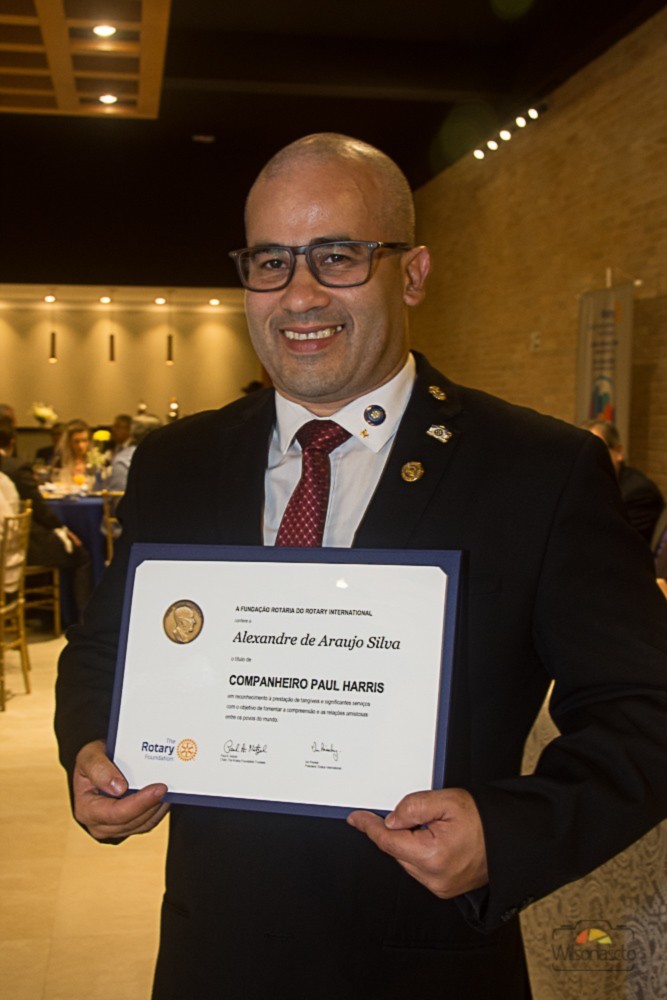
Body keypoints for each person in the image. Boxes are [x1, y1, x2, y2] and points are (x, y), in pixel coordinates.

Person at [54, 134, 667, 1000]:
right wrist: (89, 745)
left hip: (421, 966)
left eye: (337, 255)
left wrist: (508, 832)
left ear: (411, 273)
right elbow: (104, 648)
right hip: (212, 954)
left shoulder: (538, 471)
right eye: (270, 261)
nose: (299, 294)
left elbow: (645, 709)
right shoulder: (178, 462)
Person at [0, 417, 92, 620]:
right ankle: (82, 619)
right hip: (20, 545)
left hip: (6, 544)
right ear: (12, 441)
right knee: (82, 555)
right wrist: (63, 529)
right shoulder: (16, 468)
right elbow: (40, 509)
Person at [585, 419, 664, 543]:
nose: (589, 459)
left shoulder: (640, 493)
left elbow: (610, 542)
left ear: (618, 451)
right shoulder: (590, 486)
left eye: (596, 451)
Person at [107, 413, 162, 492]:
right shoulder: (167, 458)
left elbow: (117, 495)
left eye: (117, 427)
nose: (113, 430)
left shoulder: (122, 460)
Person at [53, 419, 92, 487]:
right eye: (76, 441)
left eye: (84, 440)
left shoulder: (94, 462)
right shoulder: (60, 461)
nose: (80, 445)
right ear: (69, 442)